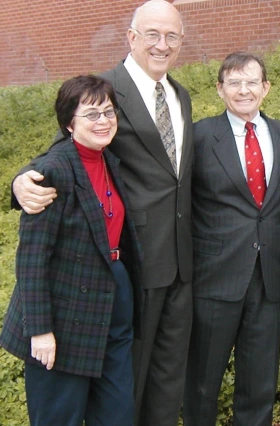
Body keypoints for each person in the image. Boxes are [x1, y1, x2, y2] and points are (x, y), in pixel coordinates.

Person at [10, 2, 193, 425]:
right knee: (113, 386)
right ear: (131, 37)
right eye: (152, 34)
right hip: (129, 262)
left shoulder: (180, 95)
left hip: (175, 263)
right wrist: (22, 182)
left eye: (172, 36)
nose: (162, 45)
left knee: (155, 386)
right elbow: (61, 151)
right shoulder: (103, 90)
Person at [0, 75, 143, 426]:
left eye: (108, 112)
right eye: (91, 114)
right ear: (68, 122)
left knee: (117, 414)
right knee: (58, 417)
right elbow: (32, 260)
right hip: (63, 317)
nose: (104, 121)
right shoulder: (50, 172)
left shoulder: (109, 159)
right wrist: (40, 330)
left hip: (114, 299)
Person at [183, 52, 280, 426]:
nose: (243, 90)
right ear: (220, 89)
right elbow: (179, 202)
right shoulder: (198, 136)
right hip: (214, 280)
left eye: (252, 82)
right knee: (202, 383)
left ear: (265, 88)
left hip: (268, 278)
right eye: (234, 82)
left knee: (259, 384)